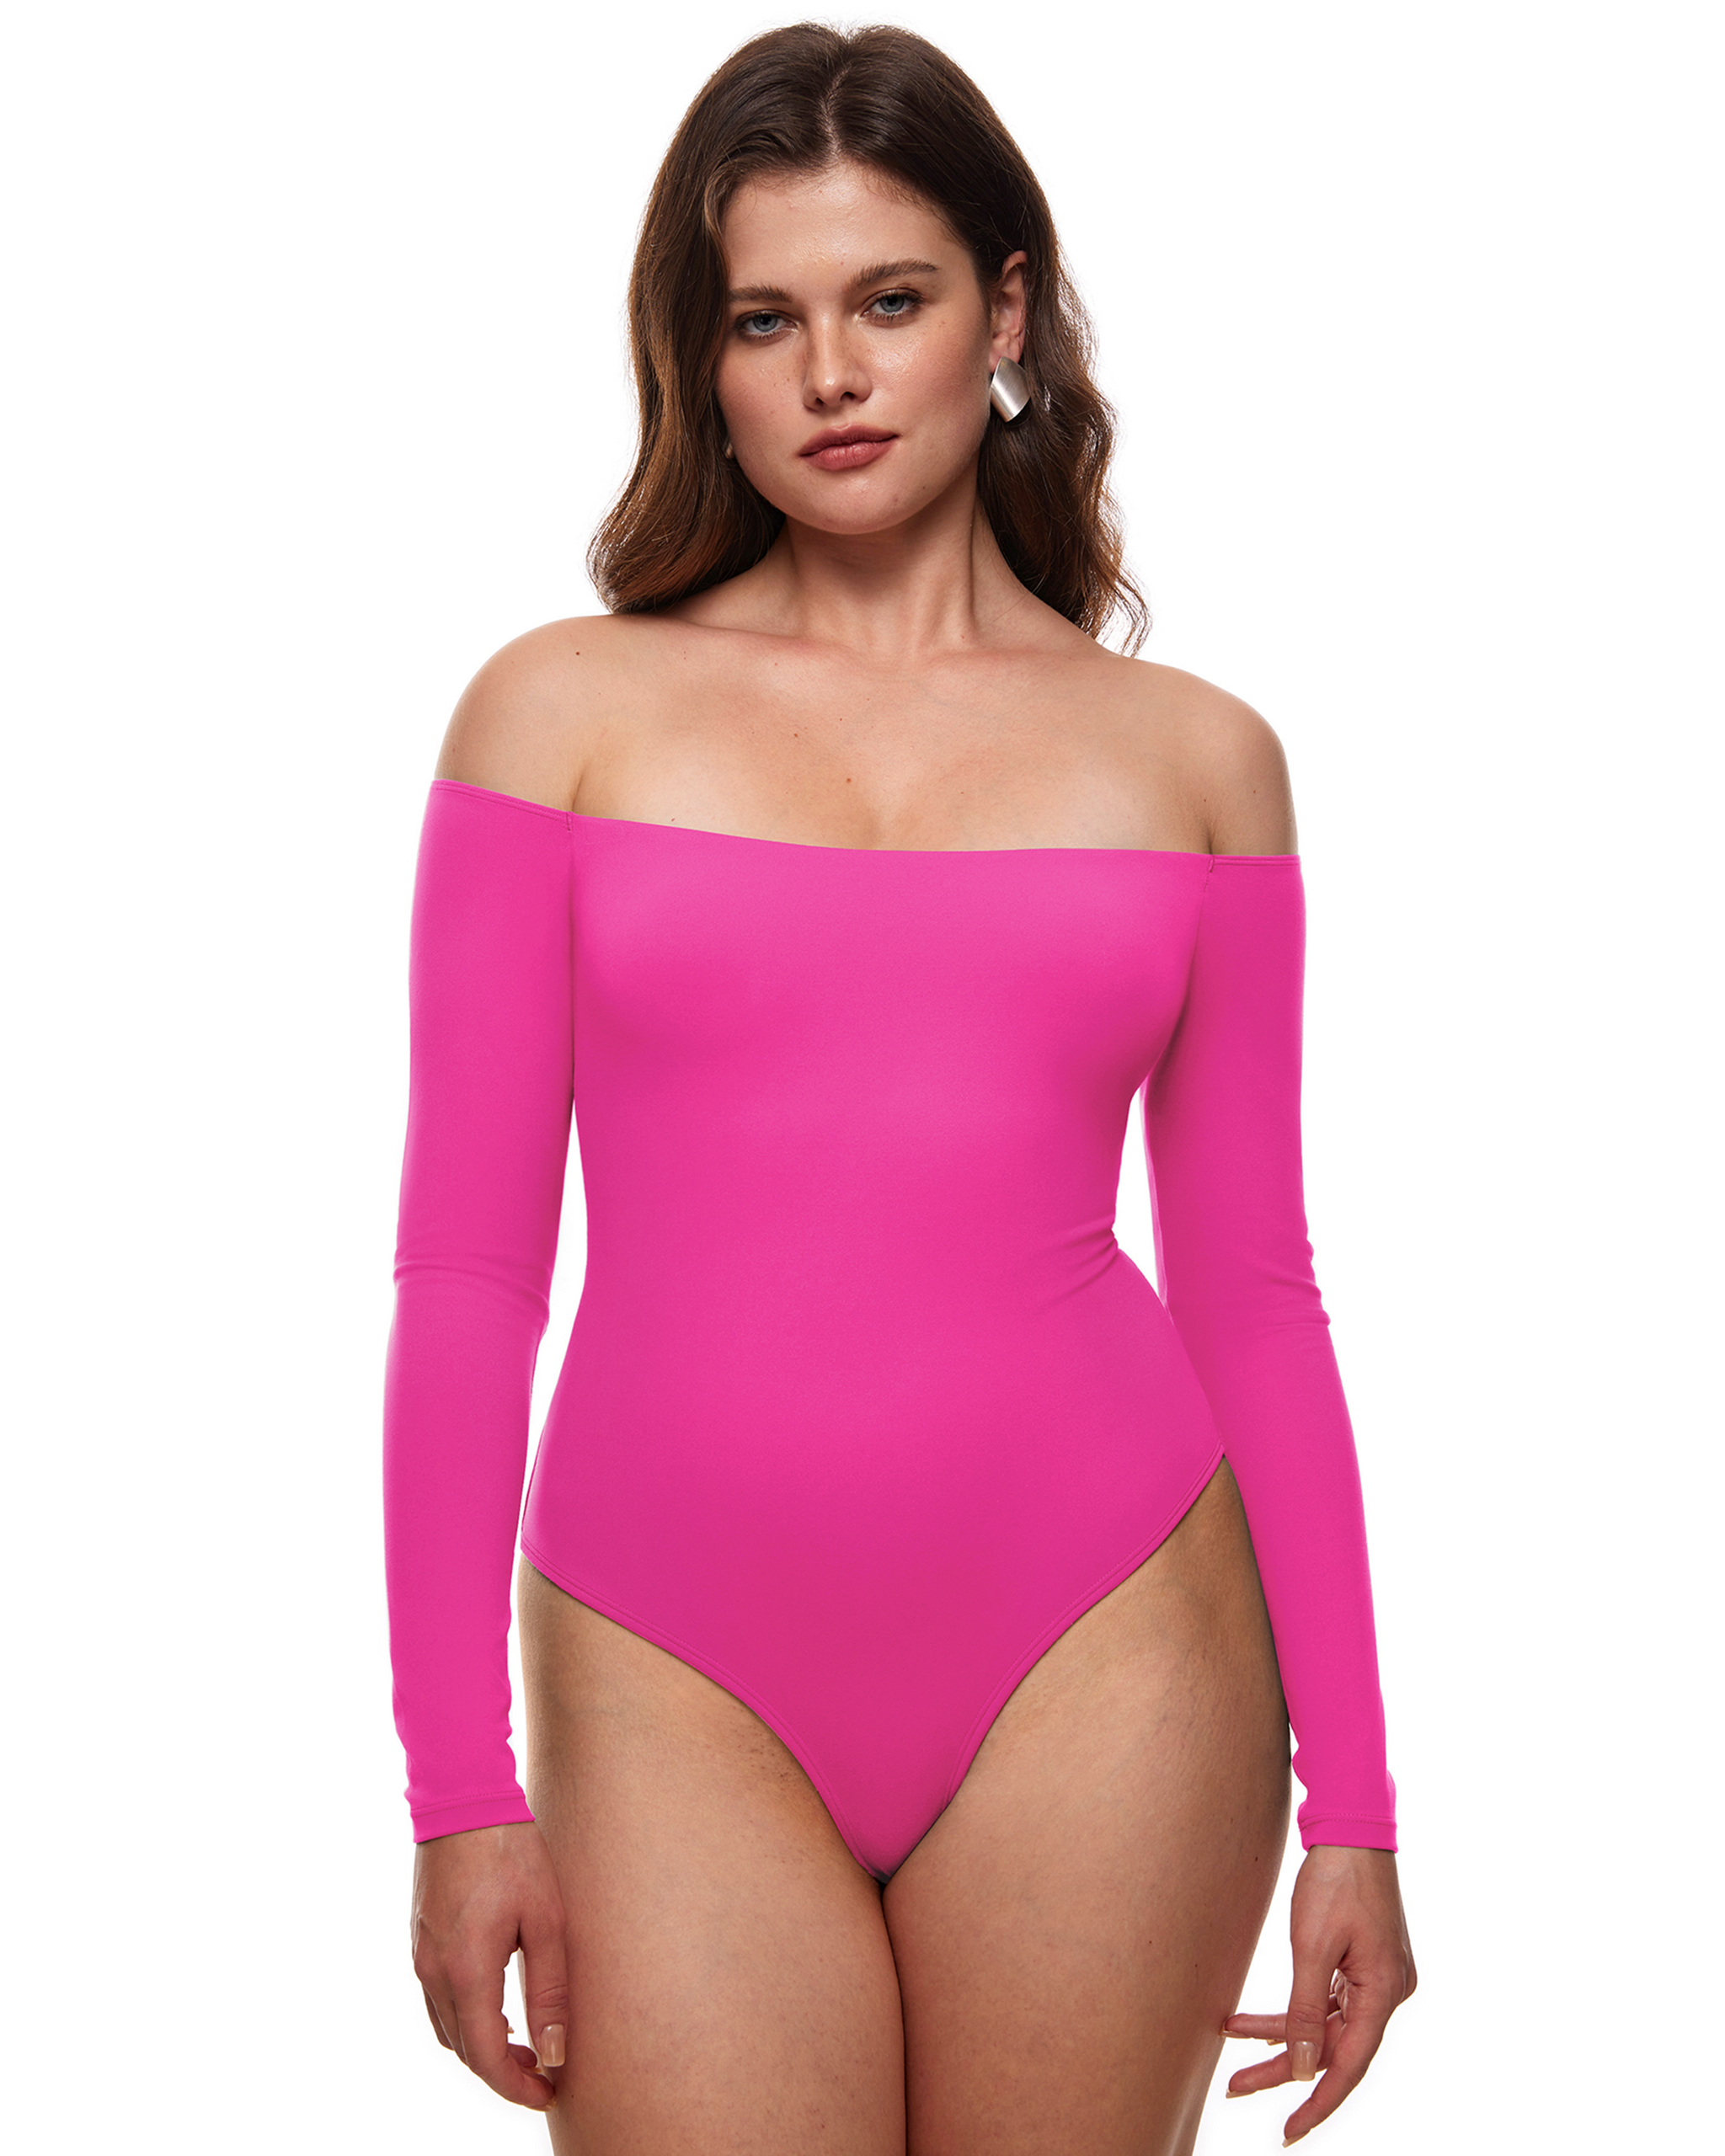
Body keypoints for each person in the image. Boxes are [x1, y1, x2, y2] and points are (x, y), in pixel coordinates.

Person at [383, 21, 1417, 2153]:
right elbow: (468, 1273)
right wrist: (456, 1786)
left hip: (1107, 1631)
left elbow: (1253, 1287)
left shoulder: (1196, 759)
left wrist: (1363, 1803)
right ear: (703, 359)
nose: (833, 375)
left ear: (1004, 315)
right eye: (765, 319)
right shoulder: (557, 717)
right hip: (664, 1650)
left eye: (891, 300)